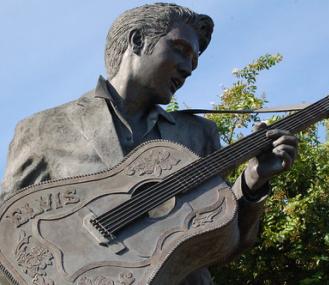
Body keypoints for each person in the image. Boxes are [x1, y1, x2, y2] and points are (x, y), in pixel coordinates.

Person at [1, 3, 298, 284]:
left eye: (194, 61)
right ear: (138, 40)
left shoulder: (199, 134)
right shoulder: (42, 129)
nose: (189, 68)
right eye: (180, 50)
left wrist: (252, 183)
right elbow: (6, 236)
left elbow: (220, 243)